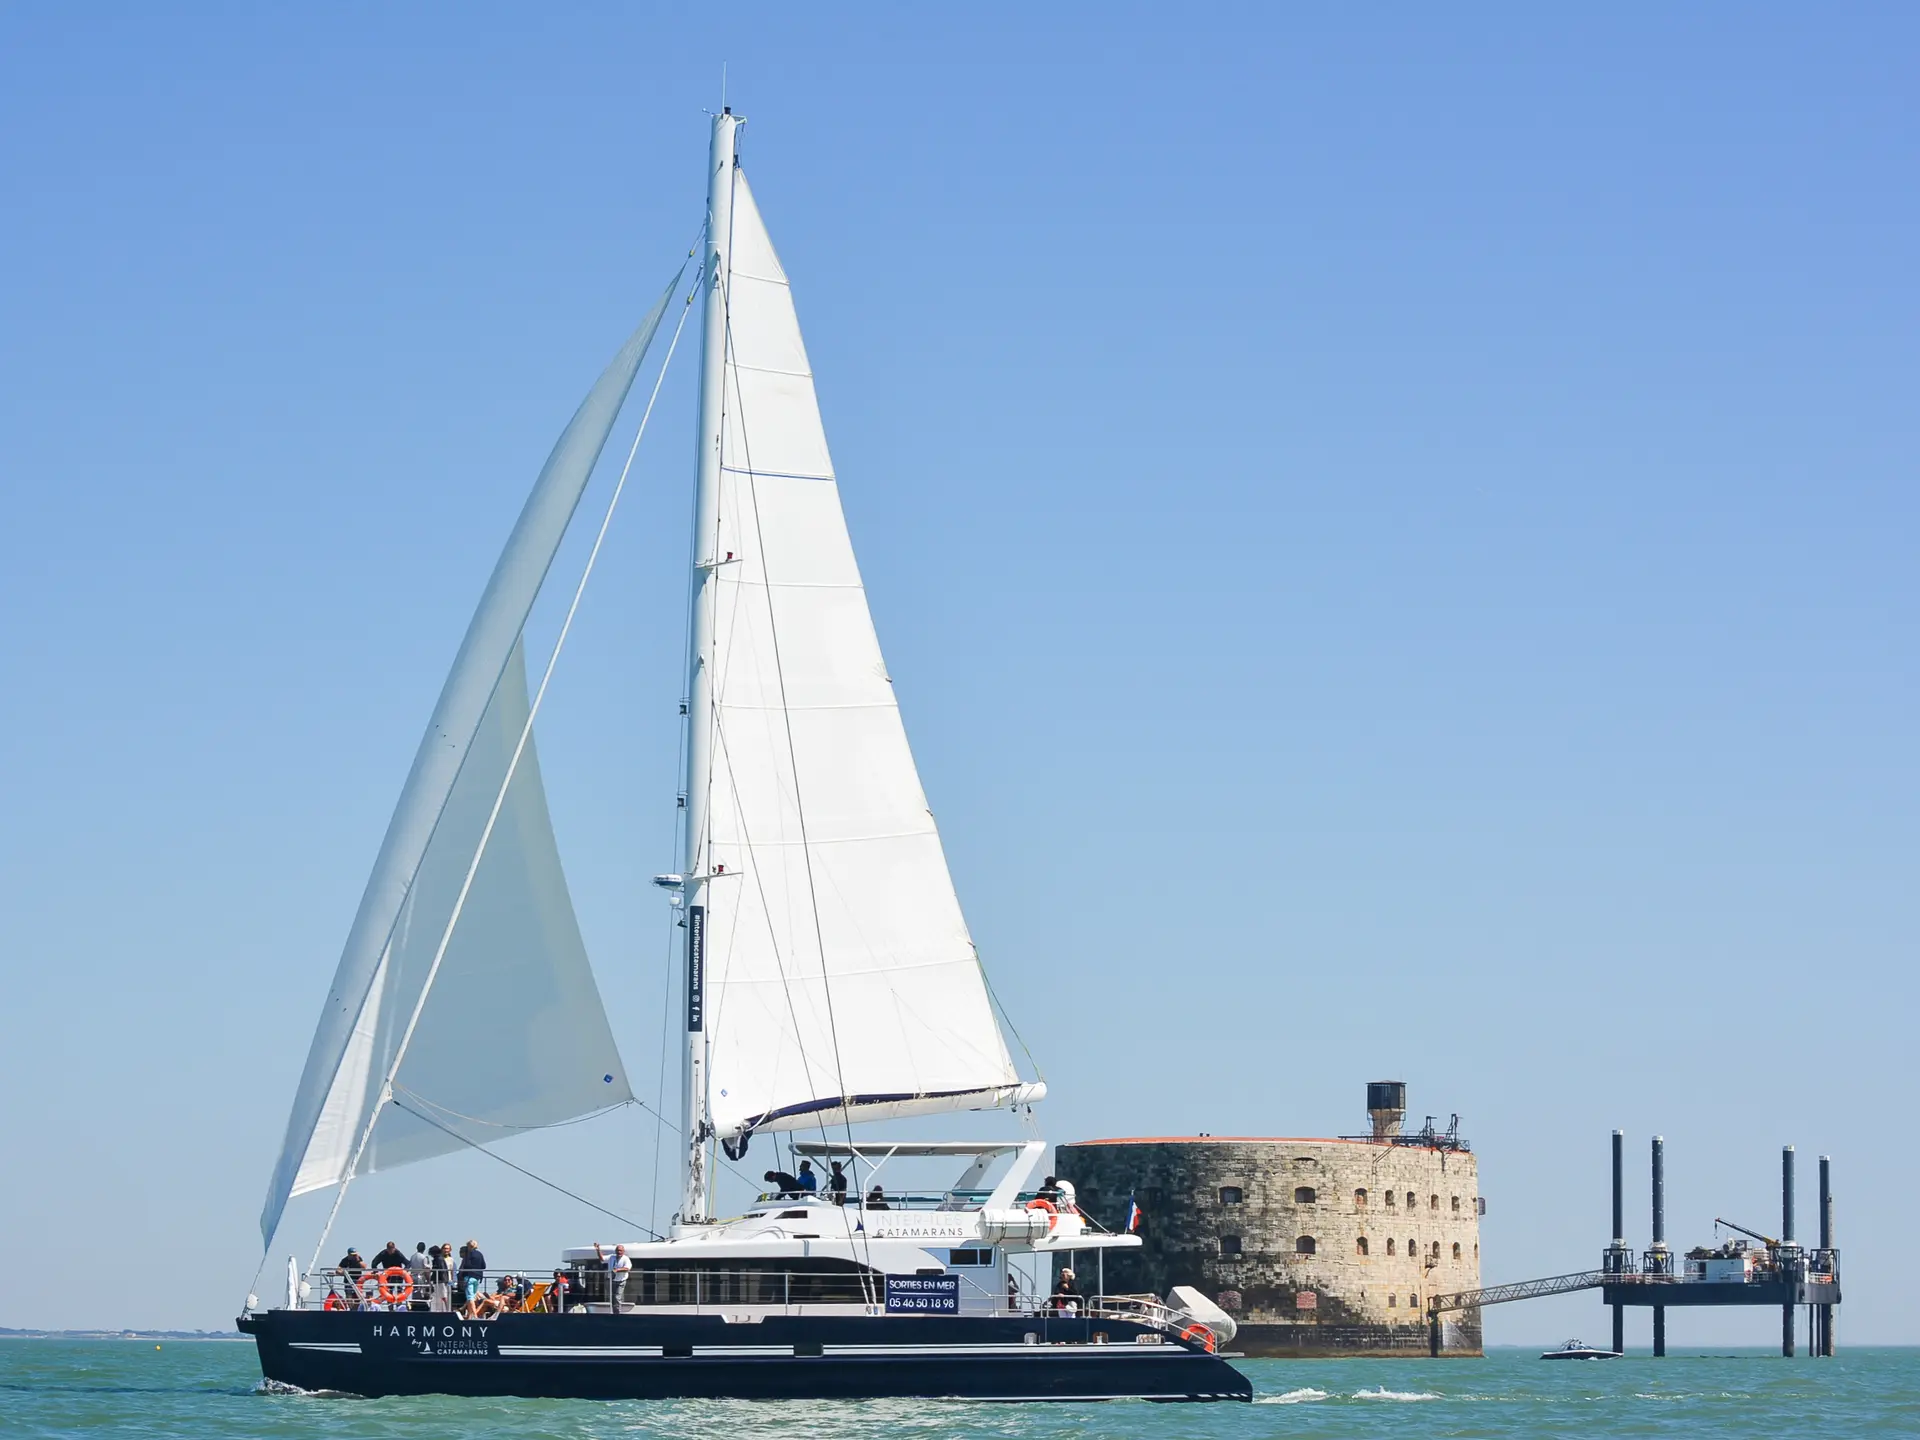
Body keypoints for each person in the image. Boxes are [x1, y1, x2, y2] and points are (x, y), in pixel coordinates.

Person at [594, 1241, 632, 1314]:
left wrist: (617, 1270)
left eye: (620, 1250)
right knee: (612, 1298)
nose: (619, 1252)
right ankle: (615, 1312)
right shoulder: (612, 1257)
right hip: (612, 1280)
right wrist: (598, 1249)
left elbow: (627, 1268)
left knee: (617, 1297)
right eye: (617, 1250)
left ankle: (617, 1313)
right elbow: (602, 1259)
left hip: (621, 1281)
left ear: (623, 1251)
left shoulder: (626, 1259)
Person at [459, 1238, 487, 1312]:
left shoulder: (469, 1254)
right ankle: (470, 1314)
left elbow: (466, 1265)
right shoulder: (480, 1254)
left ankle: (474, 1314)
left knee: (470, 1297)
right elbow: (484, 1266)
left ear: (469, 1246)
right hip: (477, 1278)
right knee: (473, 1296)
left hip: (469, 1277)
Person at [408, 1243, 433, 1311]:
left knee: (415, 1293)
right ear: (424, 1249)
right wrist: (429, 1280)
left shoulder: (412, 1256)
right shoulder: (424, 1257)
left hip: (413, 1277)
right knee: (421, 1294)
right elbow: (426, 1269)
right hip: (421, 1278)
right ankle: (421, 1307)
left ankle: (415, 1306)